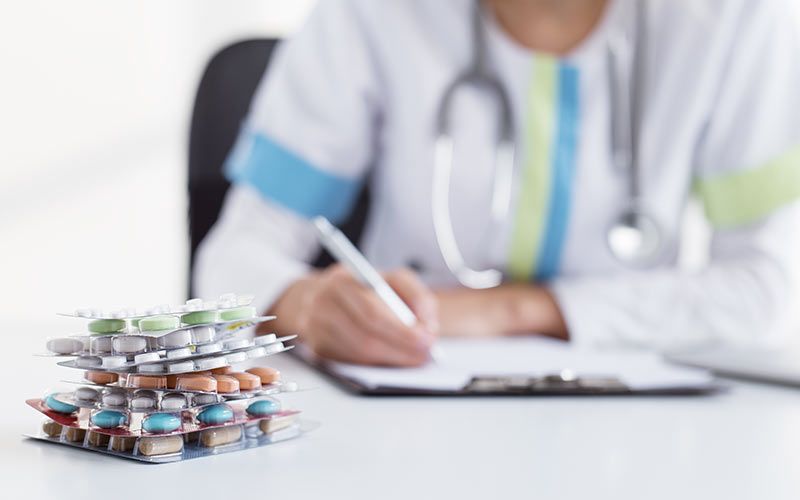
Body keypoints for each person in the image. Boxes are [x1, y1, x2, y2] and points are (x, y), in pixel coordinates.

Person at [196, 0, 800, 366]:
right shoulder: (370, 14)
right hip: (399, 416)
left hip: (634, 426)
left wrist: (514, 311)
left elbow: (768, 292)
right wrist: (298, 303)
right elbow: (231, 263)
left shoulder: (736, 18)